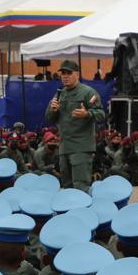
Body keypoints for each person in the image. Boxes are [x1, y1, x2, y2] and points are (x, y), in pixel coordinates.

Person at [45, 59, 106, 190]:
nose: (65, 76)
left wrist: (87, 114)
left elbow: (101, 114)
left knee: (80, 187)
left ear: (77, 74)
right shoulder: (59, 94)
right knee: (67, 187)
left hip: (81, 147)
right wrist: (53, 110)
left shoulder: (87, 92)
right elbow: (49, 118)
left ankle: (82, 211)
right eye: (63, 73)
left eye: (69, 73)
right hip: (64, 147)